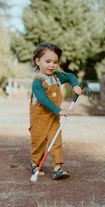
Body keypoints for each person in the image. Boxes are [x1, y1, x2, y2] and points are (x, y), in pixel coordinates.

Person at [29, 42, 82, 180]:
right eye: (48, 61)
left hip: (54, 118)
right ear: (38, 61)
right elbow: (43, 100)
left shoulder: (57, 77)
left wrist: (75, 85)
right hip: (40, 118)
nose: (52, 65)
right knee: (39, 142)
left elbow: (70, 76)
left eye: (55, 62)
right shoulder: (37, 82)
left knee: (56, 142)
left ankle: (57, 169)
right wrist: (59, 110)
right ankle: (35, 164)